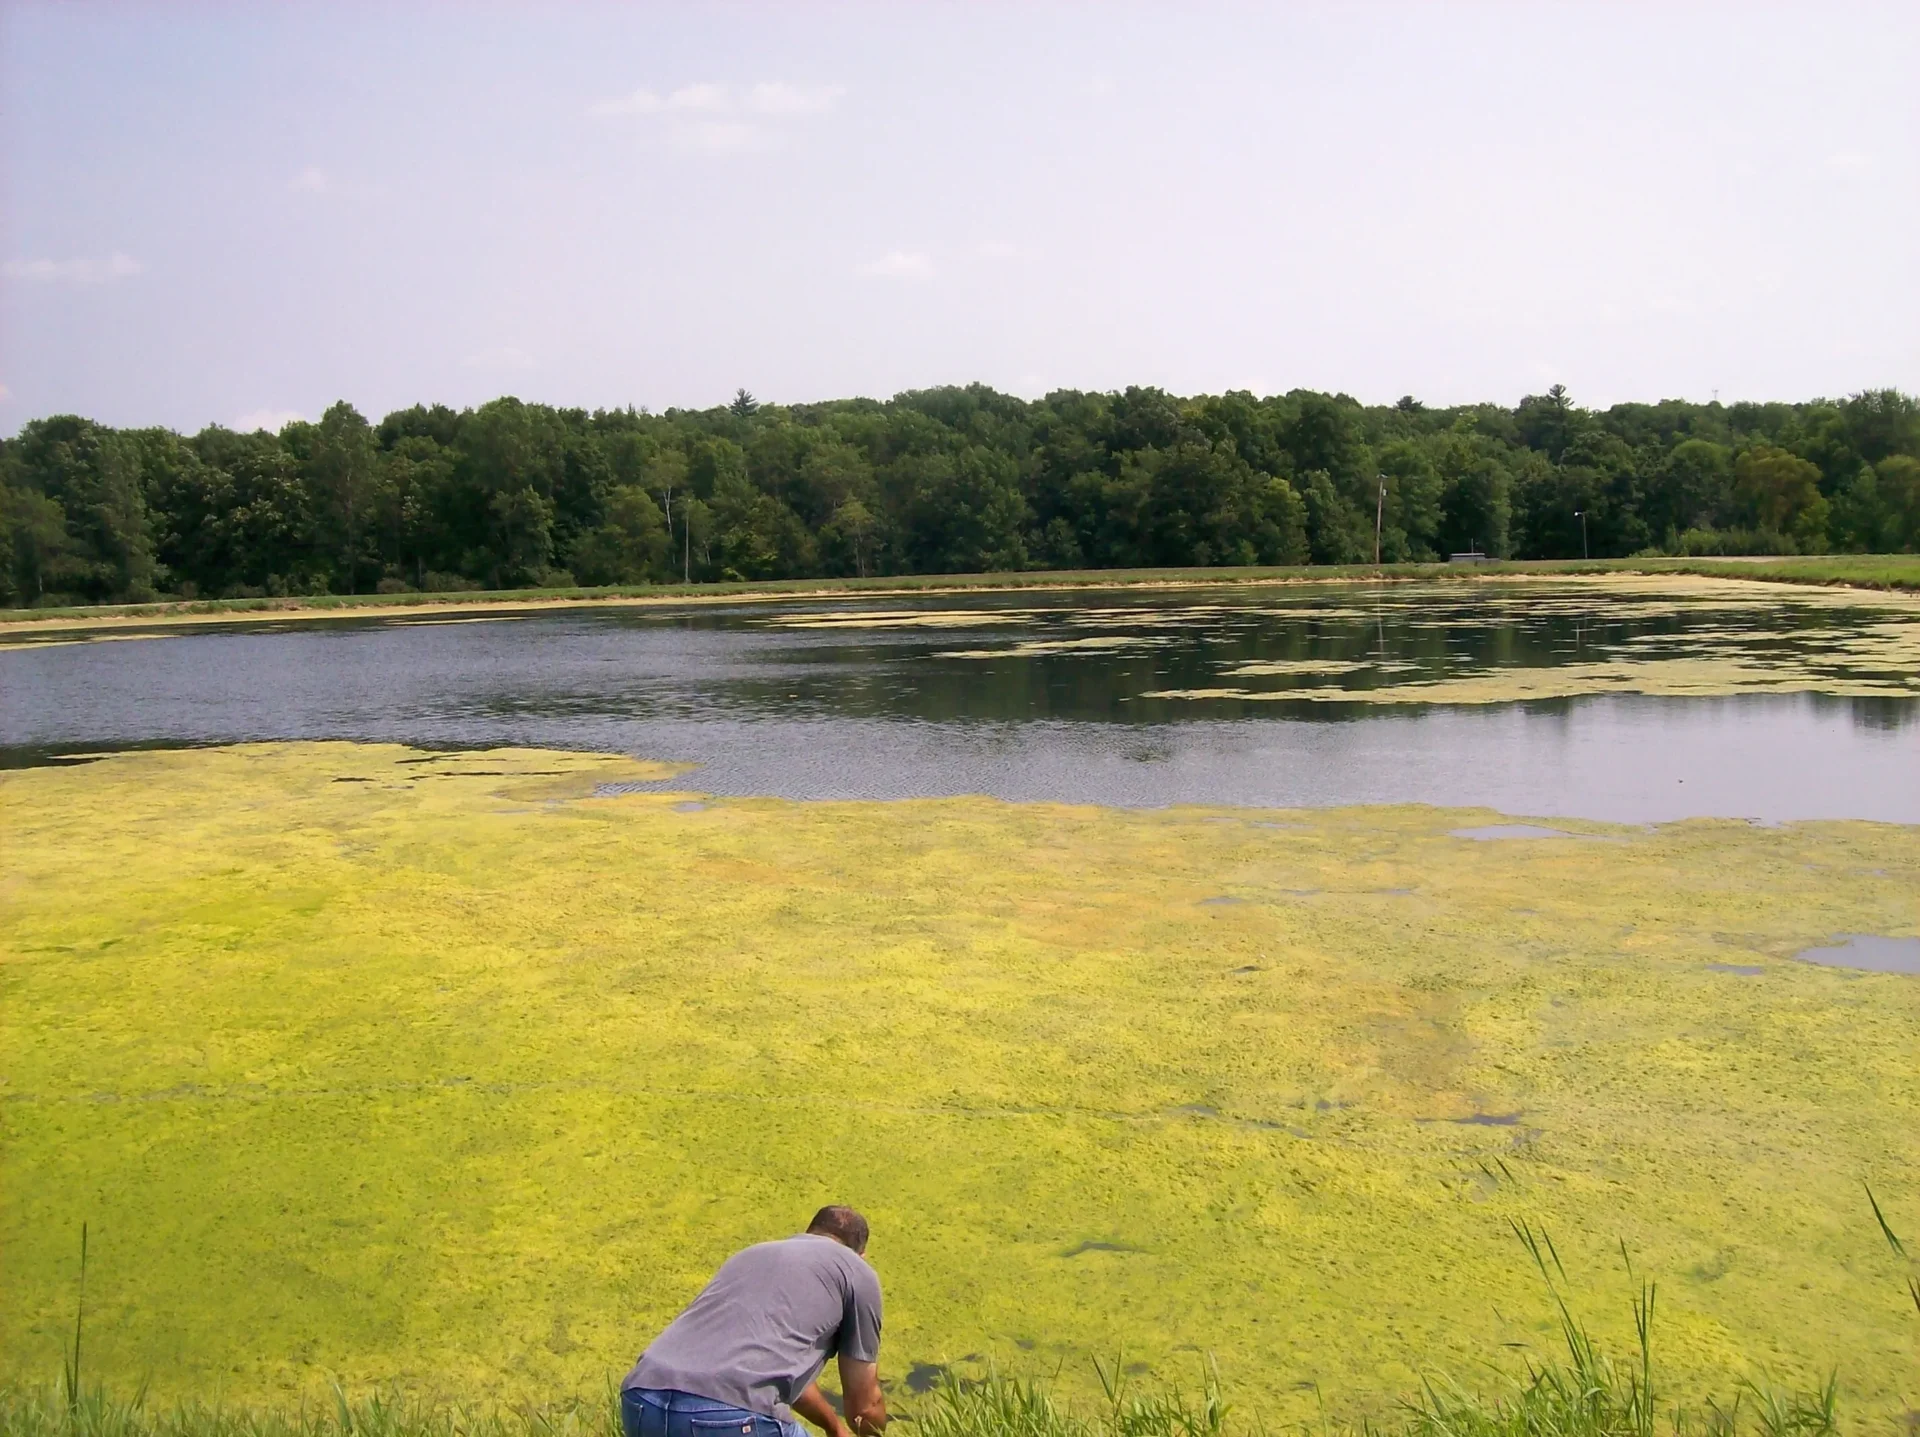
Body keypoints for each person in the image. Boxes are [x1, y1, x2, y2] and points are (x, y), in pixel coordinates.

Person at [620, 1205, 889, 1437]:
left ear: (808, 1233)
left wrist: (833, 1428)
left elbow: (776, 1374)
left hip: (643, 1400)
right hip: (729, 1416)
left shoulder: (751, 1254)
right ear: (861, 1255)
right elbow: (863, 1406)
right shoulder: (857, 1272)